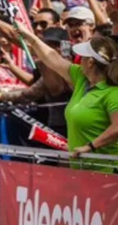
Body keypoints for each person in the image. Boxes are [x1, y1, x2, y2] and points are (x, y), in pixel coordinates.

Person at [19, 26, 118, 170]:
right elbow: (52, 58)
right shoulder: (81, 78)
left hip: (107, 173)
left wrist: (90, 146)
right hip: (82, 170)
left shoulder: (113, 93)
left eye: (82, 57)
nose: (79, 60)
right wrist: (31, 38)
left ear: (90, 63)